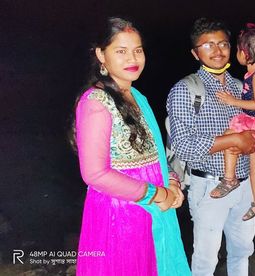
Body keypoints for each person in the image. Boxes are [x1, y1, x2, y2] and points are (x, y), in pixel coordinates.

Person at [71, 17, 190, 275]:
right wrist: (156, 194)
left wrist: (171, 183)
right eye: (121, 51)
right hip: (120, 218)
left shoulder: (138, 97)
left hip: (156, 210)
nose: (132, 58)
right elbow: (94, 174)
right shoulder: (95, 102)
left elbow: (154, 154)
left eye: (137, 50)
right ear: (101, 55)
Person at [166, 18, 255, 275]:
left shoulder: (242, 88)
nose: (217, 51)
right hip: (208, 187)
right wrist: (233, 140)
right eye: (208, 45)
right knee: (206, 258)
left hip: (244, 186)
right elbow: (183, 146)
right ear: (195, 53)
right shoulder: (185, 90)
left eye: (222, 44)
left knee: (242, 252)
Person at [209, 23, 255, 221]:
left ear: (244, 53)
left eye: (237, 49)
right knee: (254, 166)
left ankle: (229, 179)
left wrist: (232, 101)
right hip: (252, 121)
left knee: (229, 137)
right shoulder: (251, 74)